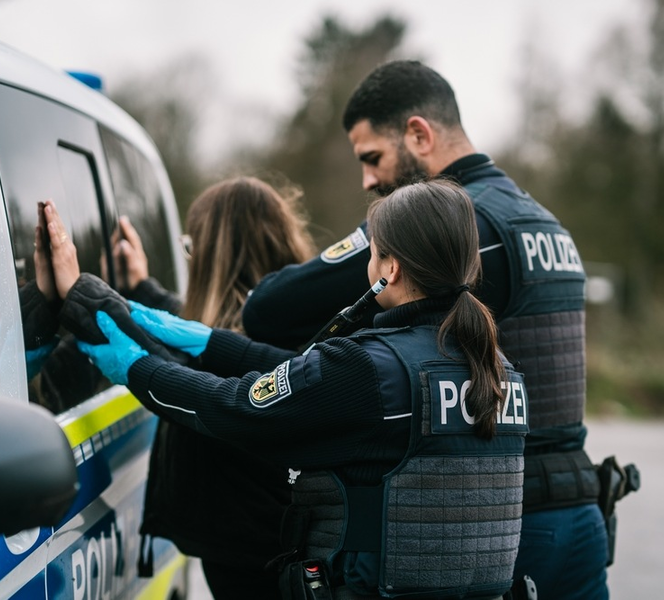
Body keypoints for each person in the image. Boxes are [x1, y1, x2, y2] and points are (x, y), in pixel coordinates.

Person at [241, 60, 607, 598]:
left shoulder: (451, 228)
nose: (369, 180)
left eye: (373, 158)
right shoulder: (544, 221)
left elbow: (270, 309)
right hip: (581, 515)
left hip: (507, 529)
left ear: (418, 134)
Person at [71, 179, 529, 599]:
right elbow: (303, 374)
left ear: (389, 267)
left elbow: (232, 407)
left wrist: (136, 367)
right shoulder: (497, 368)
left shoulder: (371, 367)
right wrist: (209, 340)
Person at [89, 177, 316, 598]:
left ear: (214, 257)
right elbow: (203, 333)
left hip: (247, 552)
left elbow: (196, 367)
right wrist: (142, 287)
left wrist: (81, 302)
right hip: (271, 541)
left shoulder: (244, 340)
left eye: (192, 248)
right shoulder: (300, 328)